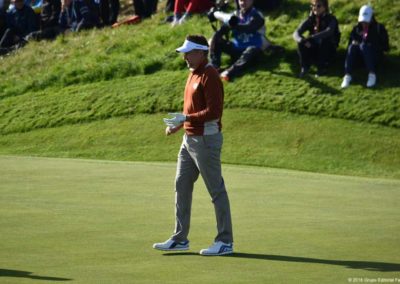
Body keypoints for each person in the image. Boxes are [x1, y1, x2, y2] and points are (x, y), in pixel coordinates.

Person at [153, 34, 234, 256]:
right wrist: (180, 124)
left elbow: (214, 112)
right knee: (181, 185)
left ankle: (225, 241)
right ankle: (180, 239)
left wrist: (185, 119)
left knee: (216, 189)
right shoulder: (192, 74)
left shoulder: (210, 75)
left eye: (189, 53)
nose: (185, 57)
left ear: (200, 52)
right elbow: (190, 111)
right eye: (184, 53)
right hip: (188, 139)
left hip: (206, 141)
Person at [208, 0, 282, 81]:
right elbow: (221, 32)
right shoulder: (233, 16)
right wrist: (216, 16)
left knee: (252, 49)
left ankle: (230, 72)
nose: (243, 3)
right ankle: (214, 67)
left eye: (246, 0)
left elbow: (248, 27)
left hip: (253, 52)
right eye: (241, 0)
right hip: (236, 49)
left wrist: (233, 24)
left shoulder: (257, 16)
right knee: (215, 39)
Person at [340, 5, 389, 89]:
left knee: (364, 46)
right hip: (359, 58)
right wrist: (355, 43)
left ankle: (372, 74)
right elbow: (349, 45)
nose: (364, 24)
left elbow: (385, 47)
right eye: (362, 22)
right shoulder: (356, 29)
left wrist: (370, 44)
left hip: (374, 57)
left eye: (366, 21)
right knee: (352, 47)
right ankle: (347, 75)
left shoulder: (379, 28)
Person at [293, 0, 340, 77]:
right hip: (315, 48)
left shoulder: (331, 19)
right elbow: (296, 33)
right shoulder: (311, 19)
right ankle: (305, 67)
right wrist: (302, 40)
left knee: (325, 39)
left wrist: (312, 37)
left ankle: (322, 68)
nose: (315, 8)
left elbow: (329, 32)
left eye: (318, 6)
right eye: (313, 5)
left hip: (328, 51)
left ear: (325, 7)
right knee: (301, 41)